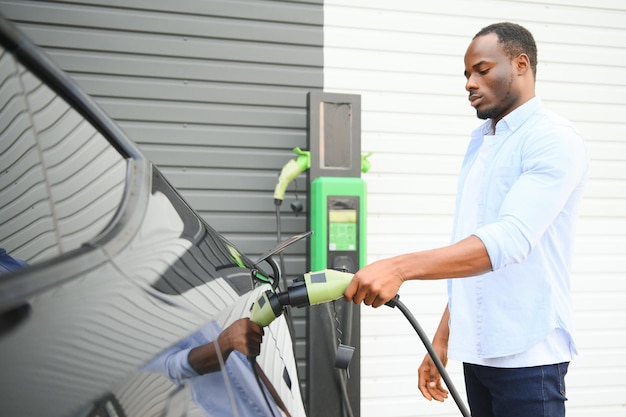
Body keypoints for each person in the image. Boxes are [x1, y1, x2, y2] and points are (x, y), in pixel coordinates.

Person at [344, 22, 588, 417]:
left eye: (482, 69)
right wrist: (443, 338)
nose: (470, 83)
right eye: (467, 74)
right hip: (478, 353)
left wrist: (399, 268)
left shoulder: (553, 138)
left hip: (529, 356)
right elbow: (474, 247)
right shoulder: (483, 142)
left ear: (521, 64)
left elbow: (508, 240)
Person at [144, 317, 290, 416]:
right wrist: (227, 340)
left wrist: (287, 410)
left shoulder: (186, 309)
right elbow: (177, 367)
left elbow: (245, 363)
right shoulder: (144, 334)